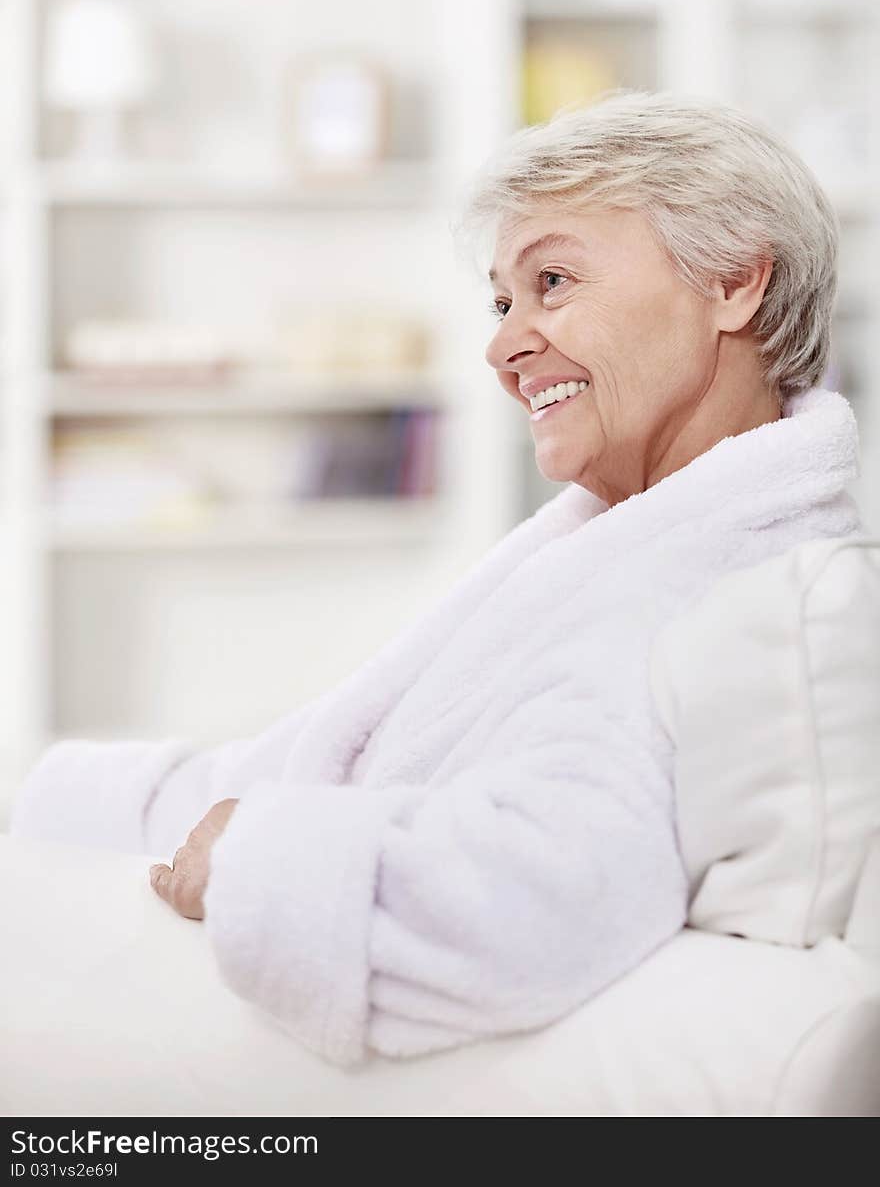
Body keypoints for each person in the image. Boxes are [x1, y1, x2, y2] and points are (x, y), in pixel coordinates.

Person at [10, 90, 865, 1068]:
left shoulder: (724, 603)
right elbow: (305, 766)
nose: (504, 344)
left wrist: (258, 857)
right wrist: (72, 808)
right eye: (504, 300)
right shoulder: (634, 548)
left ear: (733, 281)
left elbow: (544, 888)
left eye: (552, 280)